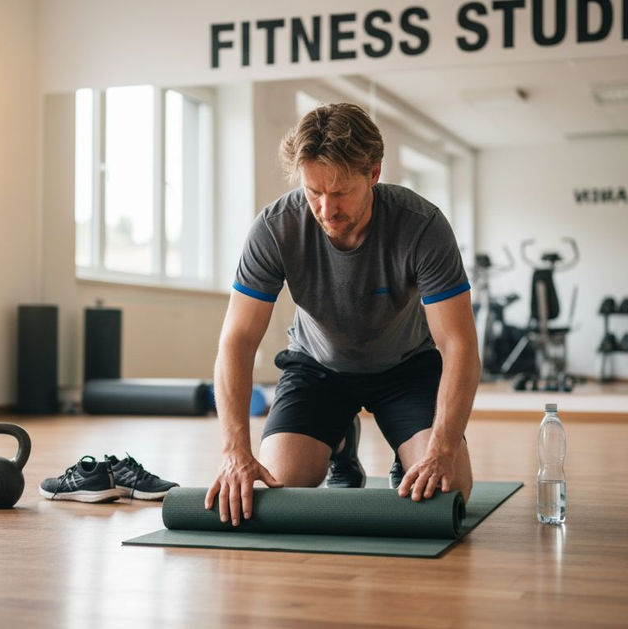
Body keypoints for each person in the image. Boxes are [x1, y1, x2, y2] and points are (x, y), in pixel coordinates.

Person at [204, 103, 480, 527]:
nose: (326, 209)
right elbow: (237, 341)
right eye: (314, 192)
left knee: (451, 487)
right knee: (280, 483)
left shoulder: (421, 226)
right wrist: (234, 451)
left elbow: (459, 344)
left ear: (373, 174)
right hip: (318, 368)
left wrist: (441, 450)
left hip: (406, 367)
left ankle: (403, 456)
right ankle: (341, 443)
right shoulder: (276, 228)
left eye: (340, 192)